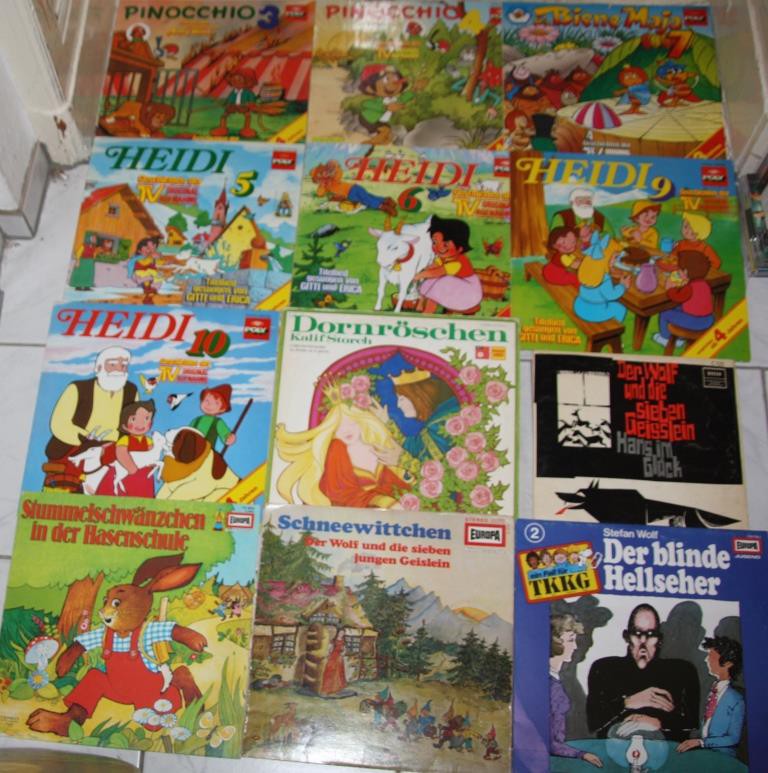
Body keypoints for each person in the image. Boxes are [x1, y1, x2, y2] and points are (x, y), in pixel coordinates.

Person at [586, 603, 699, 741]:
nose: (643, 641)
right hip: (614, 750)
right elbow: (592, 723)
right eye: (637, 633)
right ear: (627, 636)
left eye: (651, 635)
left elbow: (692, 724)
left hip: (665, 752)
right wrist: (628, 702)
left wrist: (658, 723)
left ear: (659, 639)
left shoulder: (682, 671)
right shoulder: (604, 669)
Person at [274, 401, 411, 508]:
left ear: (361, 421)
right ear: (332, 429)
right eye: (339, 425)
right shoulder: (336, 450)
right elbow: (340, 494)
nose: (346, 430)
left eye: (351, 422)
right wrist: (383, 501)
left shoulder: (376, 444)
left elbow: (402, 482)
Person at [45, 346, 138, 464]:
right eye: (112, 365)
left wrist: (116, 438)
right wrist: (86, 438)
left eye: (123, 366)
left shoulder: (131, 390)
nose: (119, 370)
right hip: (73, 448)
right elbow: (59, 424)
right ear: (98, 367)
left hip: (115, 449)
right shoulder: (77, 388)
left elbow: (135, 424)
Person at [676, 636, 745, 757]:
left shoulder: (736, 699)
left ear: (727, 663)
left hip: (723, 758)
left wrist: (701, 742)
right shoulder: (712, 690)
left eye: (711, 656)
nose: (706, 659)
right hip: (706, 754)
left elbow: (734, 738)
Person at [550, 614, 603, 767]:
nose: (575, 646)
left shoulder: (554, 678)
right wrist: (581, 754)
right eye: (570, 640)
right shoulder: (550, 685)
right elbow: (550, 742)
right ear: (555, 642)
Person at [414, 214, 483, 313]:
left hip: (469, 294)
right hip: (456, 289)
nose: (438, 247)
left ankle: (428, 312)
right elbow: (432, 268)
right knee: (431, 280)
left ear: (460, 248)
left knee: (442, 281)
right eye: (435, 242)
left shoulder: (458, 262)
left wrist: (418, 275)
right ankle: (420, 305)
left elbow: (436, 272)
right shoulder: (443, 258)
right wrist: (423, 272)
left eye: (445, 245)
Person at [388, 367, 459, 461]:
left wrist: (401, 459)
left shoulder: (438, 426)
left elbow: (427, 462)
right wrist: (387, 423)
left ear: (418, 396)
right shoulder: (441, 417)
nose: (398, 405)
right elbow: (417, 446)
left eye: (401, 399)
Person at [653, 249, 714, 348]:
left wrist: (670, 288)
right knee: (677, 308)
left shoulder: (690, 287)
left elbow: (677, 297)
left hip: (695, 322)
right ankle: (680, 337)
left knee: (664, 312)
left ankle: (665, 338)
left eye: (680, 270)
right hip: (708, 319)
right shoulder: (704, 284)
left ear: (686, 271)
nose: (678, 272)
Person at [95, 399, 157, 497]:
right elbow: (121, 453)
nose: (140, 424)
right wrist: (131, 469)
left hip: (144, 474)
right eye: (134, 419)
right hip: (126, 471)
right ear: (124, 425)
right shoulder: (125, 439)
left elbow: (152, 454)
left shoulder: (148, 441)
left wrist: (152, 464)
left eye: (146, 418)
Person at [550, 189, 615, 250]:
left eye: (588, 201)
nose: (584, 204)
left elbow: (611, 235)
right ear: (572, 202)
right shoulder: (561, 216)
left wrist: (596, 236)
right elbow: (554, 238)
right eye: (580, 201)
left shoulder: (600, 217)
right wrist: (578, 233)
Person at [189, 384, 236, 453]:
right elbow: (186, 432)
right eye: (207, 400)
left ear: (222, 409)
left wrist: (229, 438)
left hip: (206, 453)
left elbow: (225, 434)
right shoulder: (196, 420)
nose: (209, 405)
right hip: (190, 451)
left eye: (216, 403)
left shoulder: (218, 422)